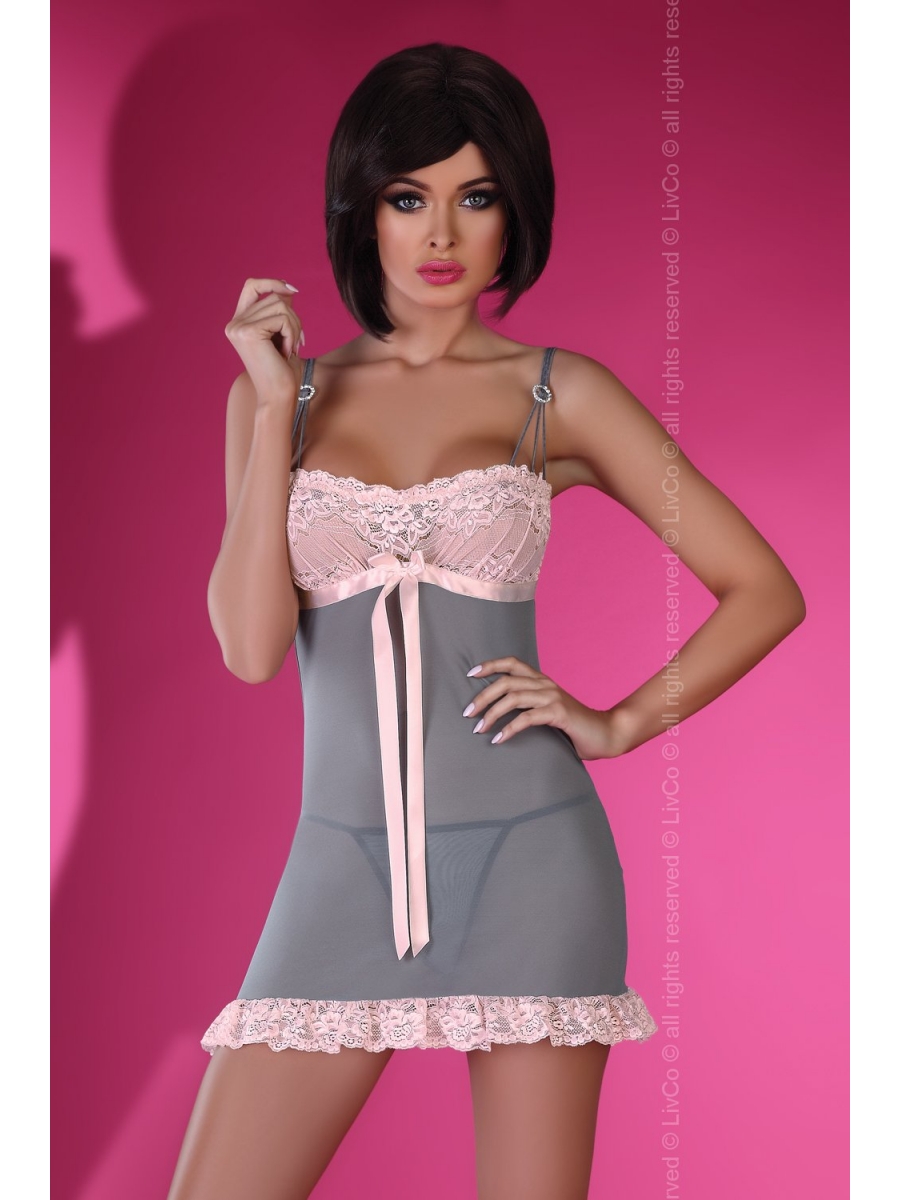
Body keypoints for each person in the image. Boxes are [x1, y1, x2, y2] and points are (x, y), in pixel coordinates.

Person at [167, 41, 805, 1200]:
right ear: (363, 210)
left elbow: (764, 588)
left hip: (534, 862)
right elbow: (251, 650)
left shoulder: (560, 395)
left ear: (517, 212)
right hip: (339, 863)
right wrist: (269, 409)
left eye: (477, 197)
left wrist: (616, 723)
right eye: (409, 198)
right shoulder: (281, 404)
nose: (442, 235)